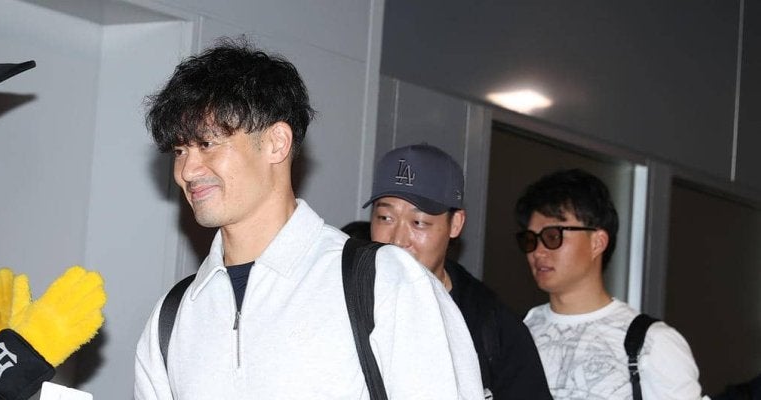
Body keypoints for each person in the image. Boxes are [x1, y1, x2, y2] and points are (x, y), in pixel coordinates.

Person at [134, 39, 483, 399]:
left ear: (277, 143)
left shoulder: (384, 283)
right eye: (180, 151)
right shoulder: (172, 317)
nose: (187, 171)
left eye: (206, 144)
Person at [364, 143, 552, 399]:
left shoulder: (492, 325)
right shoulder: (345, 300)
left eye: (418, 222)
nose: (397, 240)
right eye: (385, 218)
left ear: (455, 224)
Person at [515, 168, 704, 399]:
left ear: (597, 242)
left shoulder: (651, 343)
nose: (538, 252)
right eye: (530, 240)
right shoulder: (514, 334)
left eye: (552, 236)